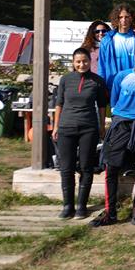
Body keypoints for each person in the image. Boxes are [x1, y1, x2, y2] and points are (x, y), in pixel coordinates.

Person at [91, 43, 135, 227]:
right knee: (111, 167)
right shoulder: (122, 76)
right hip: (121, 124)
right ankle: (110, 212)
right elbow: (114, 101)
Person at [52, 48, 108, 219]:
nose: (81, 64)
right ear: (73, 63)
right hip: (66, 128)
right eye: (78, 61)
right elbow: (59, 104)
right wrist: (55, 127)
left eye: (84, 61)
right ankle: (68, 205)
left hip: (88, 129)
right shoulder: (65, 80)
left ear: (90, 61)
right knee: (66, 168)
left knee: (86, 167)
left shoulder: (97, 81)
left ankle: (81, 206)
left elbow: (101, 106)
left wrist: (101, 127)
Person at [99, 4, 135, 91]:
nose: (124, 20)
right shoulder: (106, 40)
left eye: (127, 17)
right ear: (116, 19)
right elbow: (102, 66)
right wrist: (101, 86)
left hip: (134, 85)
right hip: (112, 85)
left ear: (131, 18)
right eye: (120, 17)